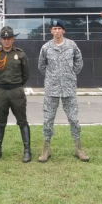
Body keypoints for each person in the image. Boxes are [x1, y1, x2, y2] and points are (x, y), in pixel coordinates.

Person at [37, 19, 88, 163]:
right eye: (54, 28)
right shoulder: (46, 47)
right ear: (51, 31)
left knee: (73, 119)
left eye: (59, 28)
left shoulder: (72, 46)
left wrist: (70, 74)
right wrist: (52, 77)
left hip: (69, 88)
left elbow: (79, 62)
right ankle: (46, 150)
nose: (57, 31)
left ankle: (79, 149)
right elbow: (42, 66)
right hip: (51, 88)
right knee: (48, 120)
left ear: (64, 30)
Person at [0, 25, 31, 163]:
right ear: (0, 39)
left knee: (22, 121)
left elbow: (26, 75)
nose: (6, 41)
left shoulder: (20, 54)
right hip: (1, 91)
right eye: (4, 38)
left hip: (16, 91)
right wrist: (2, 85)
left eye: (9, 38)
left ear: (13, 39)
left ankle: (27, 151)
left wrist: (15, 86)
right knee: (0, 122)